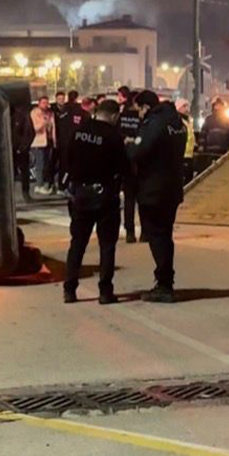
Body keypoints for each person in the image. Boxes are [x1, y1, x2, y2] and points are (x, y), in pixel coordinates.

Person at [63, 99, 131, 305]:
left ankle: (69, 289)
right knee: (107, 245)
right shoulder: (113, 136)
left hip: (80, 194)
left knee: (77, 244)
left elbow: (66, 158)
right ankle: (105, 291)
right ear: (113, 116)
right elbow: (124, 167)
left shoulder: (79, 131)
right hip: (105, 196)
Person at [127, 90, 188, 303]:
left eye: (139, 110)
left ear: (145, 107)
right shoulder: (177, 123)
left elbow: (138, 152)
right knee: (165, 234)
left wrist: (130, 145)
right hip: (172, 187)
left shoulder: (155, 123)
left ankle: (164, 284)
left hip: (154, 188)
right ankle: (165, 280)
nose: (139, 115)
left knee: (157, 236)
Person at [117, 88, 142, 243]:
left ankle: (130, 231)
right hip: (140, 162)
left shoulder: (121, 116)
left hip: (126, 161)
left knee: (129, 199)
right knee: (142, 198)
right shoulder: (144, 119)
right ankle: (145, 231)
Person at [30, 97, 56, 195]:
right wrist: (44, 122)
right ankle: (38, 185)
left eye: (47, 102)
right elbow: (36, 128)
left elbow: (53, 127)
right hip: (39, 142)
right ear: (39, 103)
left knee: (47, 164)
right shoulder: (35, 113)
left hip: (48, 141)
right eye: (43, 103)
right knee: (39, 164)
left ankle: (45, 184)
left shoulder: (50, 113)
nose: (45, 105)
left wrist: (54, 140)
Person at [175, 99, 196, 183]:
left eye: (187, 106)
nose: (187, 109)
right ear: (178, 108)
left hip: (189, 155)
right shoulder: (177, 121)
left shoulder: (188, 121)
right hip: (182, 155)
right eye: (184, 106)